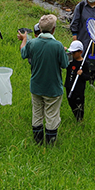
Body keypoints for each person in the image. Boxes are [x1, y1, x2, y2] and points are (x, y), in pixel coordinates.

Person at [19, 14, 69, 145]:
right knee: (51, 115)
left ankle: (38, 142)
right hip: (53, 88)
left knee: (37, 113)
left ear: (40, 29)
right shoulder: (58, 45)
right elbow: (65, 64)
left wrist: (24, 39)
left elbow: (23, 53)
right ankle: (50, 143)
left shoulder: (32, 43)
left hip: (36, 86)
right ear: (53, 29)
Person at [70, 0, 95, 84]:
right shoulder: (81, 6)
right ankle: (79, 78)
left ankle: (91, 81)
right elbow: (75, 21)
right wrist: (74, 35)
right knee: (81, 59)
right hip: (82, 38)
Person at [65, 40, 90, 122]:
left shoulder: (84, 63)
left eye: (74, 52)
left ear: (80, 52)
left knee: (79, 104)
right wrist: (65, 50)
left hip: (79, 89)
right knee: (70, 102)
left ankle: (79, 119)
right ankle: (76, 116)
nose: (72, 54)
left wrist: (82, 74)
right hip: (69, 85)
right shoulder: (70, 60)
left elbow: (88, 77)